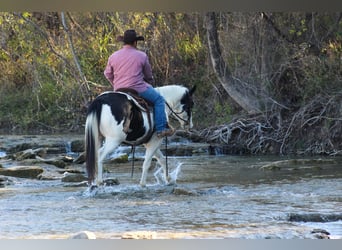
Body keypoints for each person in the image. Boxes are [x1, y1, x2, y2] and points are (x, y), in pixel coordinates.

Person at [104, 29, 175, 138]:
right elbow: (148, 75)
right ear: (135, 42)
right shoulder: (142, 55)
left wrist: (115, 84)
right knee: (159, 100)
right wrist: (150, 82)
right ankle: (161, 129)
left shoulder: (113, 56)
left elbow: (108, 74)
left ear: (124, 42)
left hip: (119, 90)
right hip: (138, 88)